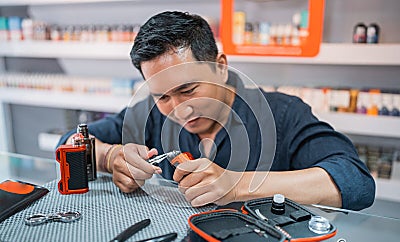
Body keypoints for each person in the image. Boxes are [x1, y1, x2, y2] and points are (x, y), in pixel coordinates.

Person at [57, 11, 375, 211]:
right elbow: (69, 142)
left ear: (220, 67)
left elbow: (356, 183)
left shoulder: (281, 114)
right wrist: (111, 158)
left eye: (189, 89)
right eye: (163, 96)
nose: (180, 109)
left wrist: (237, 186)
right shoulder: (150, 114)